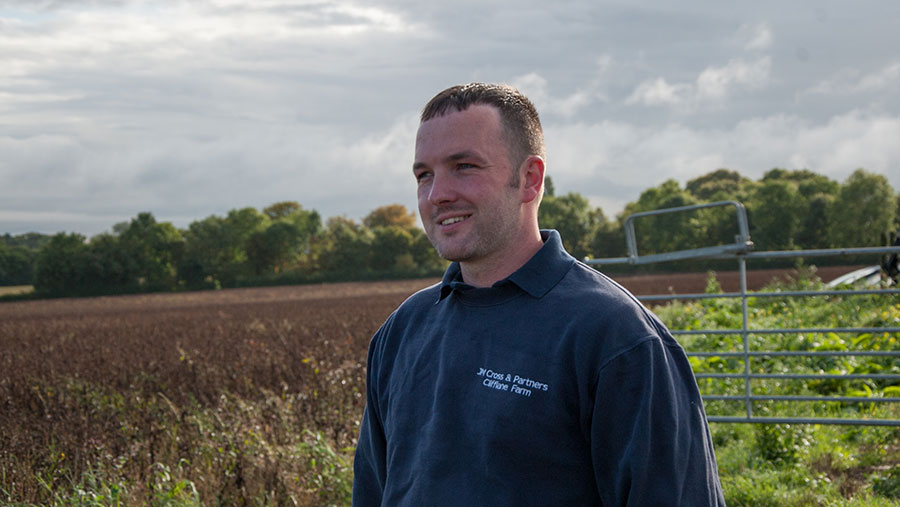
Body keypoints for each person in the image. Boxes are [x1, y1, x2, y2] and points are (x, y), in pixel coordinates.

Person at [352, 83, 725, 506]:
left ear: (530, 179)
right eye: (424, 175)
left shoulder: (615, 337)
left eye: (465, 166)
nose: (438, 194)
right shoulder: (402, 332)